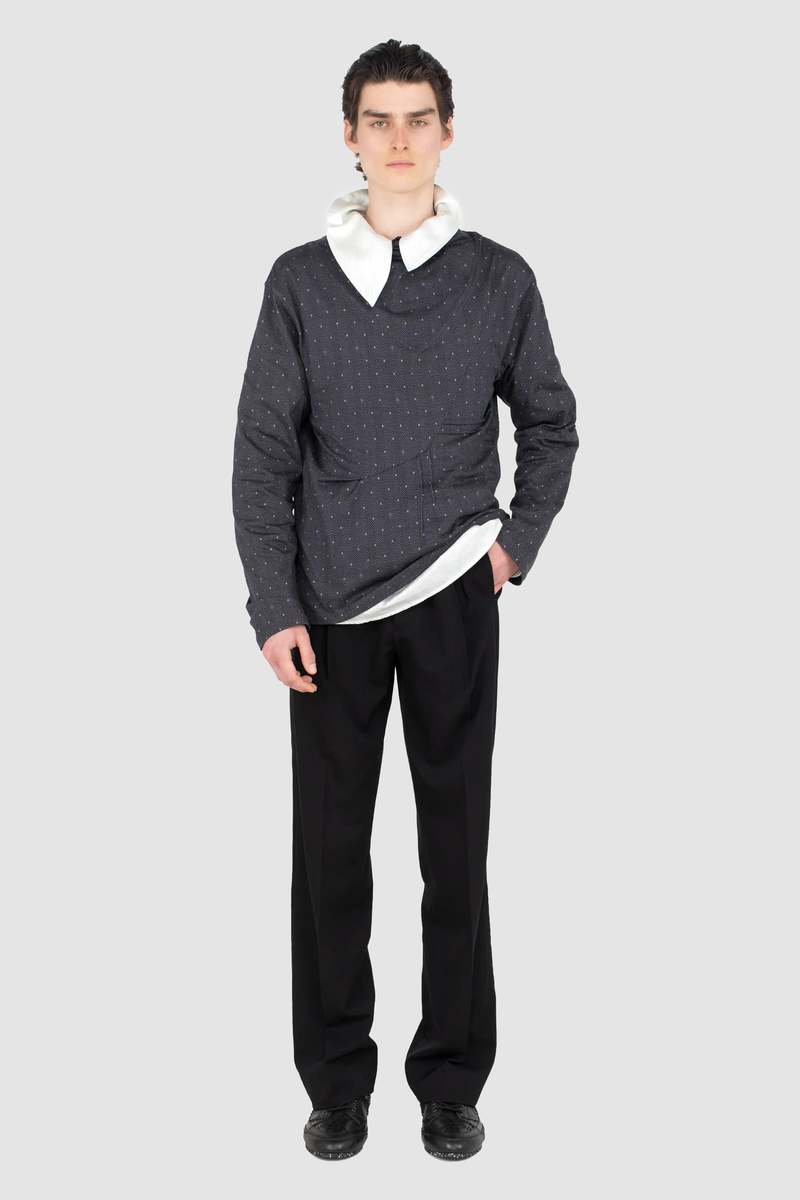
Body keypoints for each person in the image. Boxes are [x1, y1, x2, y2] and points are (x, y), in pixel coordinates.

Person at [231, 37, 579, 1161]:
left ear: (447, 132)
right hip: (329, 607)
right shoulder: (299, 280)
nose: (397, 139)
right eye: (376, 119)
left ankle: (450, 1080)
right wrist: (273, 605)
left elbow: (550, 420)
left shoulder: (497, 279)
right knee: (329, 854)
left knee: (455, 847)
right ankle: (336, 1083)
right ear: (348, 135)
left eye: (416, 118)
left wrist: (513, 546)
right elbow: (262, 455)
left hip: (452, 591)